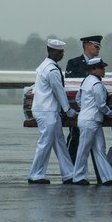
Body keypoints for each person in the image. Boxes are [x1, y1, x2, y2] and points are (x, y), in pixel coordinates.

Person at [28, 39, 78, 184]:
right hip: (47, 111)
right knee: (45, 143)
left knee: (59, 142)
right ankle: (35, 175)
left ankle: (69, 173)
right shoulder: (52, 70)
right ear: (51, 51)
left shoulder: (44, 66)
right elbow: (59, 91)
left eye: (62, 51)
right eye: (60, 52)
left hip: (47, 110)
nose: (62, 54)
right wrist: (68, 109)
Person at [72, 58, 112, 185]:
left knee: (99, 148)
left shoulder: (86, 81)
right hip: (91, 120)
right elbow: (101, 105)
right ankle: (78, 177)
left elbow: (78, 99)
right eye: (101, 68)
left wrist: (85, 108)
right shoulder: (96, 84)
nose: (103, 70)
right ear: (93, 70)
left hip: (90, 119)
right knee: (84, 149)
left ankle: (108, 177)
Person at [65, 35, 103, 162]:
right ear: (87, 46)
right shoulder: (74, 63)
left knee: (94, 144)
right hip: (78, 108)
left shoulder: (98, 65)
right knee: (74, 137)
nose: (98, 49)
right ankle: (70, 166)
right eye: (96, 46)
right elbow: (71, 85)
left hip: (91, 109)